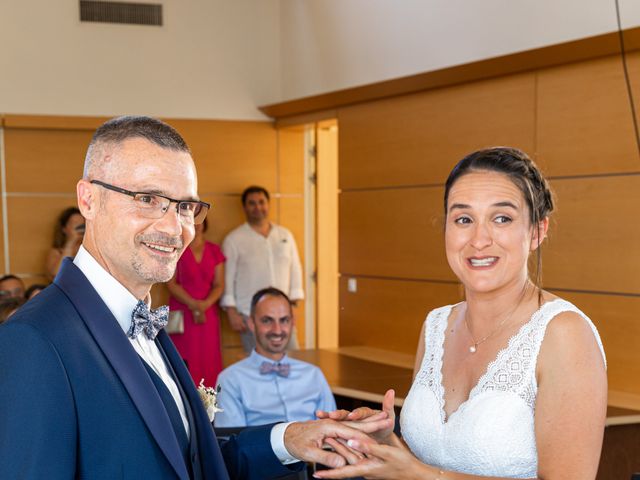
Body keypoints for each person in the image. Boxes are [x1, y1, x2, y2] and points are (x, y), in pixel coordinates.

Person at [0, 115, 390, 480]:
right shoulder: (34, 340)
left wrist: (288, 439)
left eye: (185, 206)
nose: (174, 228)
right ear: (88, 200)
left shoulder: (147, 323)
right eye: (148, 199)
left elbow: (190, 459)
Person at [315, 147, 607, 479]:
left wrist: (418, 476)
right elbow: (436, 459)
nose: (479, 239)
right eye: (464, 219)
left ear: (537, 231)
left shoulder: (563, 333)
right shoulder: (437, 325)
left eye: (502, 218)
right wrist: (385, 446)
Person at [215, 287, 335, 427]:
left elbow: (331, 430)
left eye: (284, 320)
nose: (277, 330)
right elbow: (231, 443)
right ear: (251, 323)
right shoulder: (230, 380)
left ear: (292, 322)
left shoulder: (314, 375)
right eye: (267, 321)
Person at [221, 186, 304, 352]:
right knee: (259, 366)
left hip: (283, 314)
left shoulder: (285, 235)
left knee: (292, 361)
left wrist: (294, 307)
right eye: (252, 203)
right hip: (250, 314)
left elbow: (295, 270)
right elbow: (227, 278)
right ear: (244, 207)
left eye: (261, 202)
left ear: (268, 204)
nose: (257, 207)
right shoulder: (234, 239)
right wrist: (231, 312)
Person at [167, 217, 225, 386]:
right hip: (182, 312)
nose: (196, 225)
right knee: (184, 357)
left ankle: (210, 405)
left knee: (209, 357)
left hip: (208, 314)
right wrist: (194, 305)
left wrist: (204, 305)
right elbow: (171, 284)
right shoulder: (175, 249)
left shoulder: (215, 250)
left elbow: (219, 285)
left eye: (199, 221)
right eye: (191, 221)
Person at [45, 206, 85, 280]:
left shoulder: (89, 250)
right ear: (64, 229)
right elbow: (57, 275)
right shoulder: (56, 252)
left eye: (82, 224)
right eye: (75, 223)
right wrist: (70, 243)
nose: (80, 227)